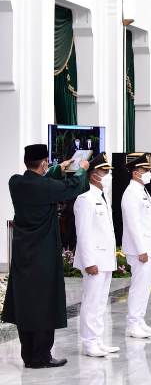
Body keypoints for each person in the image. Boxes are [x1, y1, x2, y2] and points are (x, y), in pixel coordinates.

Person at [1, 144, 88, 368]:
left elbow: (40, 182)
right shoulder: (46, 186)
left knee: (26, 305)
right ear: (43, 163)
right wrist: (81, 169)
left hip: (22, 255)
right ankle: (41, 356)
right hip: (43, 256)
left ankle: (28, 355)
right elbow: (72, 187)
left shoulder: (15, 182)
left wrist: (57, 168)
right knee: (44, 306)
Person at [73, 153, 119, 357]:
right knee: (92, 301)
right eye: (105, 171)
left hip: (106, 259)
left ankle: (97, 339)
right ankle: (88, 341)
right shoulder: (84, 199)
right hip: (94, 261)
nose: (108, 175)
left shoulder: (103, 197)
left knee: (101, 302)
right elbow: (83, 234)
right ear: (93, 175)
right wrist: (89, 262)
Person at [121, 153, 151, 334]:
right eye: (145, 170)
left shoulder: (142, 190)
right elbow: (133, 224)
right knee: (139, 286)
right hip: (140, 250)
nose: (148, 173)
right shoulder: (131, 193)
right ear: (136, 172)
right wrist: (141, 250)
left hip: (148, 247)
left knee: (145, 287)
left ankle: (140, 320)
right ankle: (132, 323)